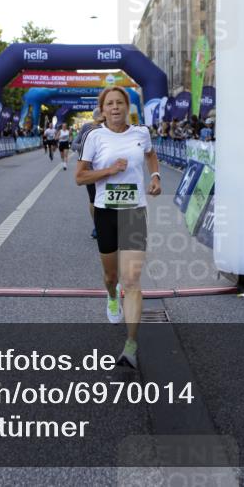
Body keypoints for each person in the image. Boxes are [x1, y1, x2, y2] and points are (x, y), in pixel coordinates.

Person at [75, 87, 161, 369]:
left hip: (134, 212)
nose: (115, 107)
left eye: (120, 103)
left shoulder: (141, 133)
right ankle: (112, 295)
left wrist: (156, 176)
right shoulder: (94, 137)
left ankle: (131, 345)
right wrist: (109, 171)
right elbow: (80, 177)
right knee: (112, 276)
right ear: (102, 109)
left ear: (127, 107)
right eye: (109, 103)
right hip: (106, 213)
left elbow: (150, 155)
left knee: (132, 280)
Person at [73, 109, 105, 239]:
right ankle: (97, 226)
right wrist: (88, 148)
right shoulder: (87, 127)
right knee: (93, 199)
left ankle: (113, 226)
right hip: (90, 171)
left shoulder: (112, 127)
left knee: (109, 199)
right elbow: (74, 145)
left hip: (109, 170)